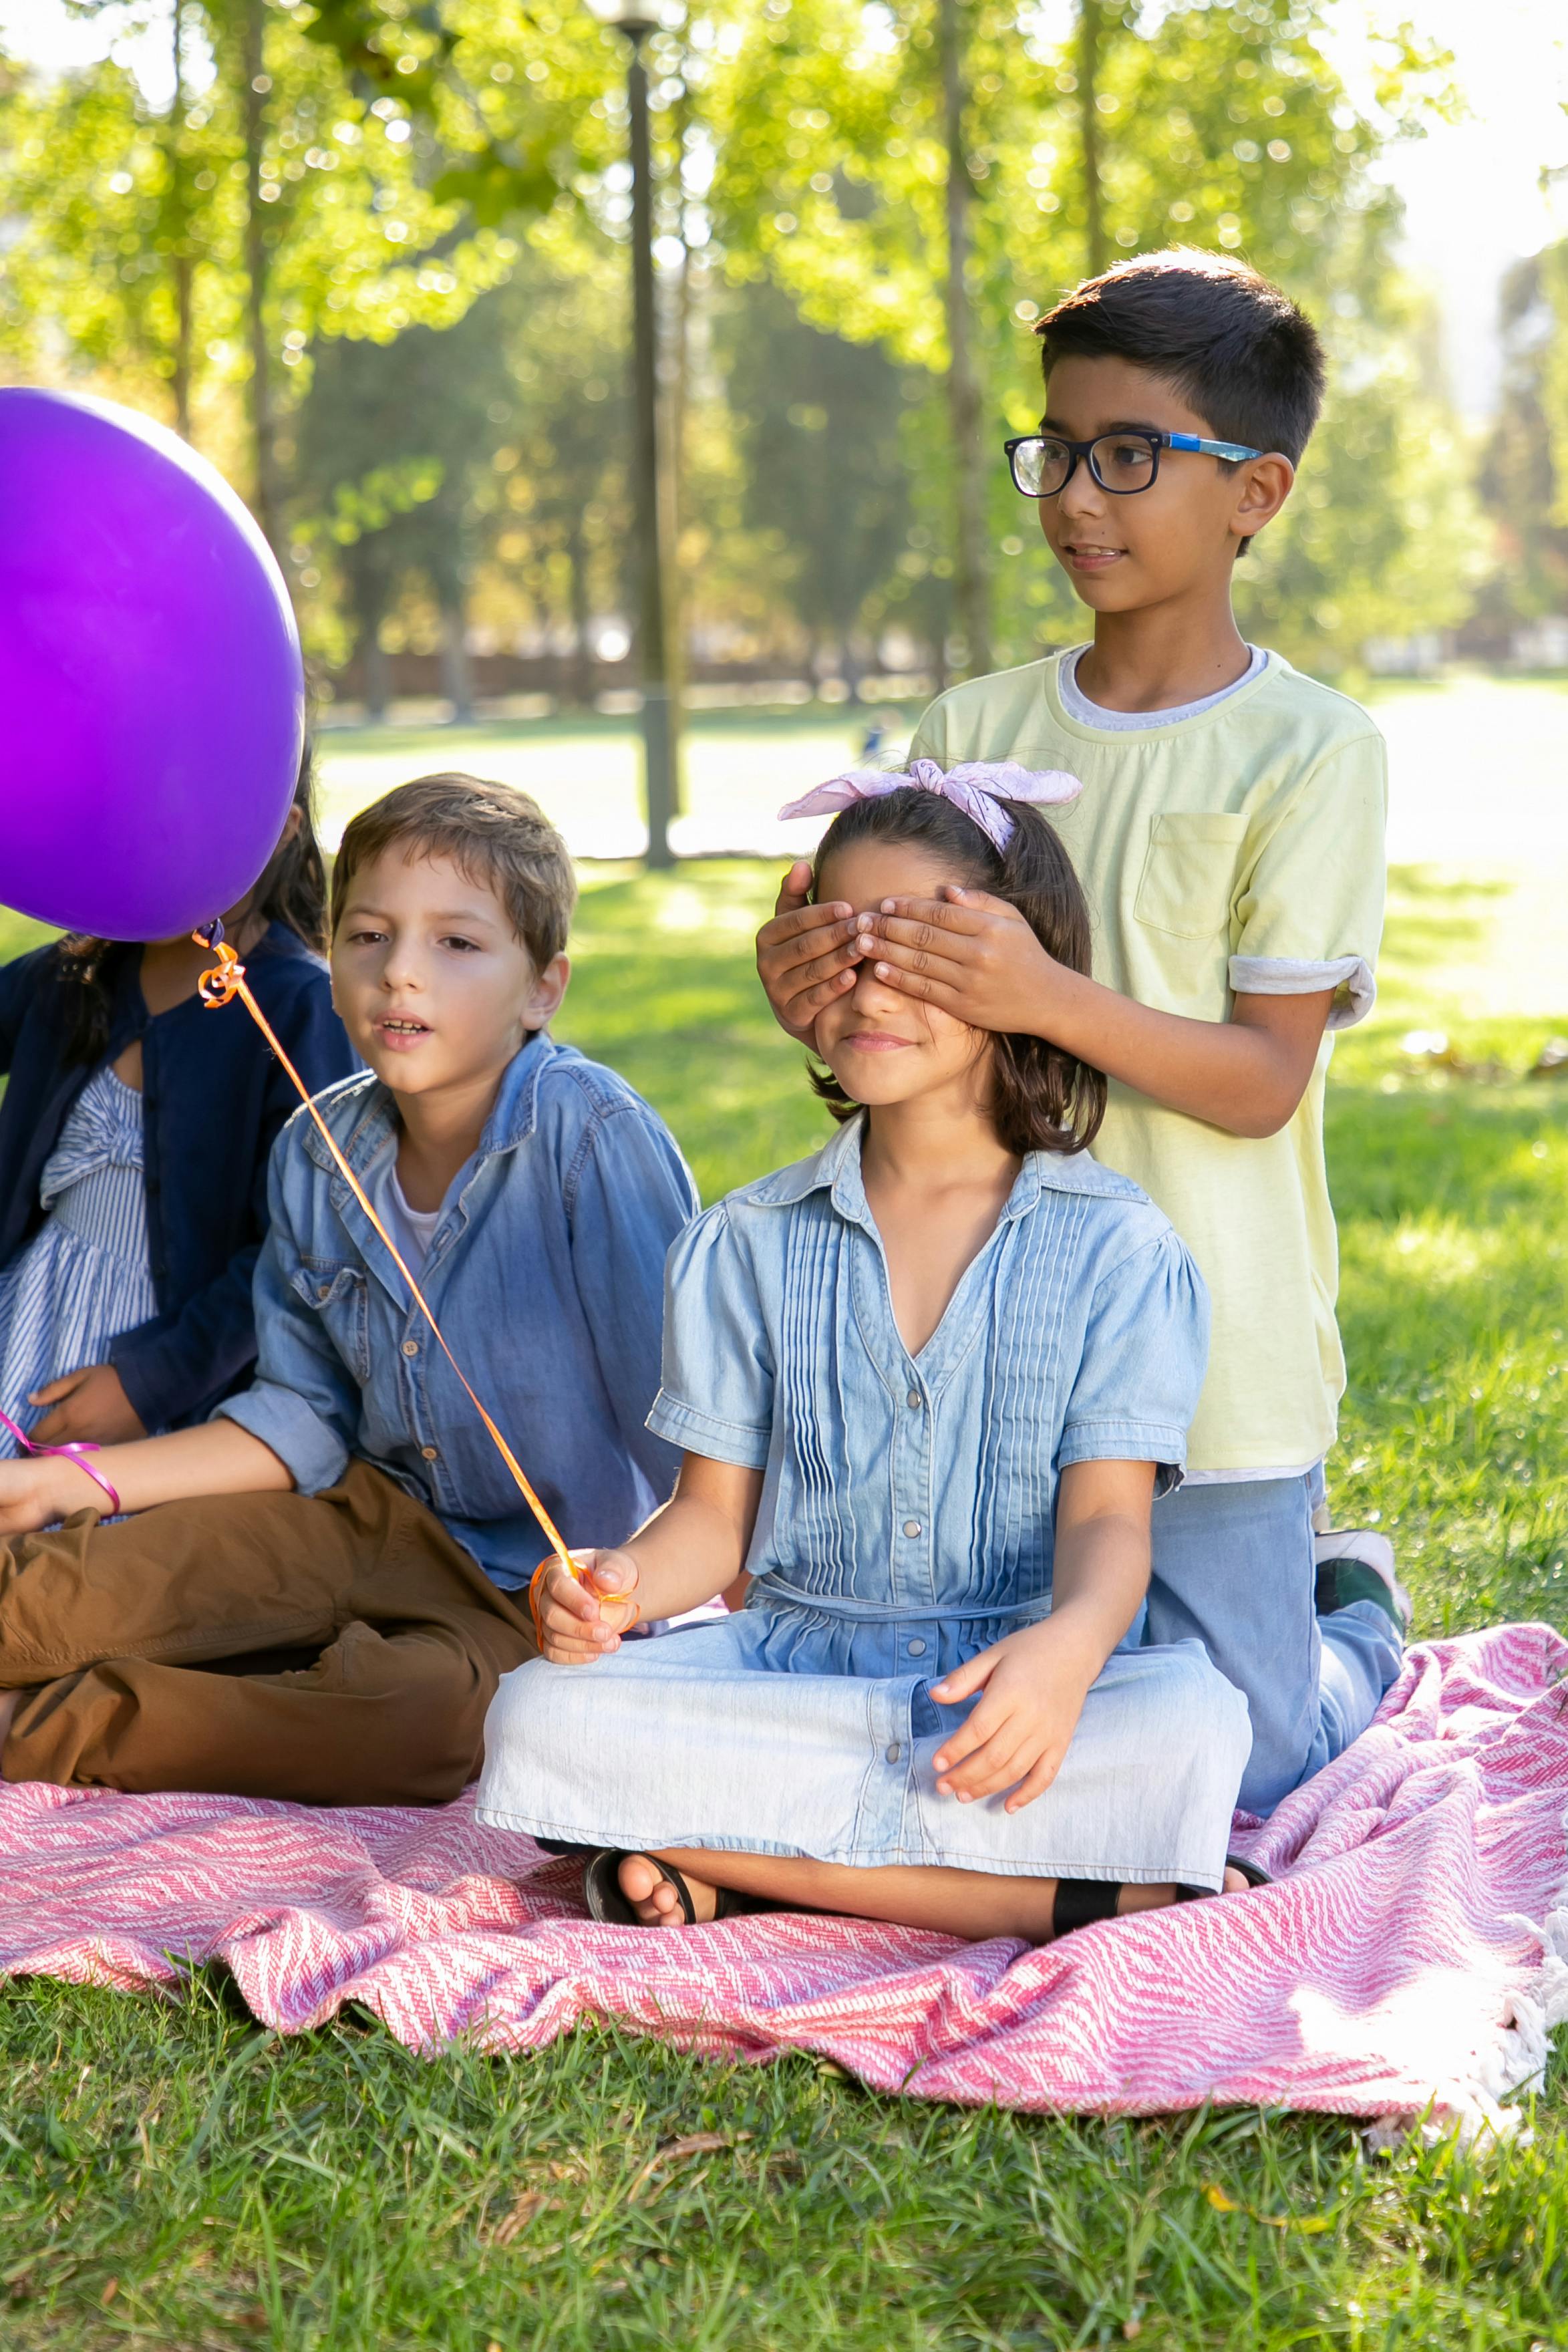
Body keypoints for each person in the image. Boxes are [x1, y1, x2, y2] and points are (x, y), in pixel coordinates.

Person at [754, 251, 1406, 1819]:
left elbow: (1259, 1082)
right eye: (1054, 449)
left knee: (1233, 1759)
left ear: (1254, 490)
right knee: (962, 1714)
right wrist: (821, 998)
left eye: (1129, 454)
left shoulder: (1310, 750)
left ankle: (1353, 1620)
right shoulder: (974, 731)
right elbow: (897, 1052)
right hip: (984, 1338)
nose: (1074, 495)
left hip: (1213, 1364)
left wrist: (1043, 995)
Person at [478, 771, 1257, 1940]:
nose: (869, 988)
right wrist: (620, 1586)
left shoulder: (1118, 1251)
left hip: (1009, 1688)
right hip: (786, 1675)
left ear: (1014, 964)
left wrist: (1062, 1654)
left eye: (921, 947)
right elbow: (711, 1525)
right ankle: (1092, 1893)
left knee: (1195, 1725)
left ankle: (737, 1863)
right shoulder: (739, 1245)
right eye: (837, 948)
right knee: (538, 1716)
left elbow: (1108, 1528)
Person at [0, 773, 698, 1805]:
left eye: (456, 944)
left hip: (527, 1590)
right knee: (53, 1590)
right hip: (356, 1518)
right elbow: (299, 1417)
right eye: (369, 936)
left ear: (543, 985)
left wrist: (632, 1594)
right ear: (332, 966)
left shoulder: (590, 1140)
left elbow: (692, 1438)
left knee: (416, 1720)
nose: (401, 975)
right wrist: (70, 1483)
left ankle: (41, 1726)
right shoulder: (315, 1152)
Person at [0, 752, 354, 1453]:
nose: (154, 847)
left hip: (172, 1390)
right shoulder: (77, 972)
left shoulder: (300, 1008)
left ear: (279, 831)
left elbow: (299, 1247)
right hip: (23, 1320)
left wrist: (150, 1383)